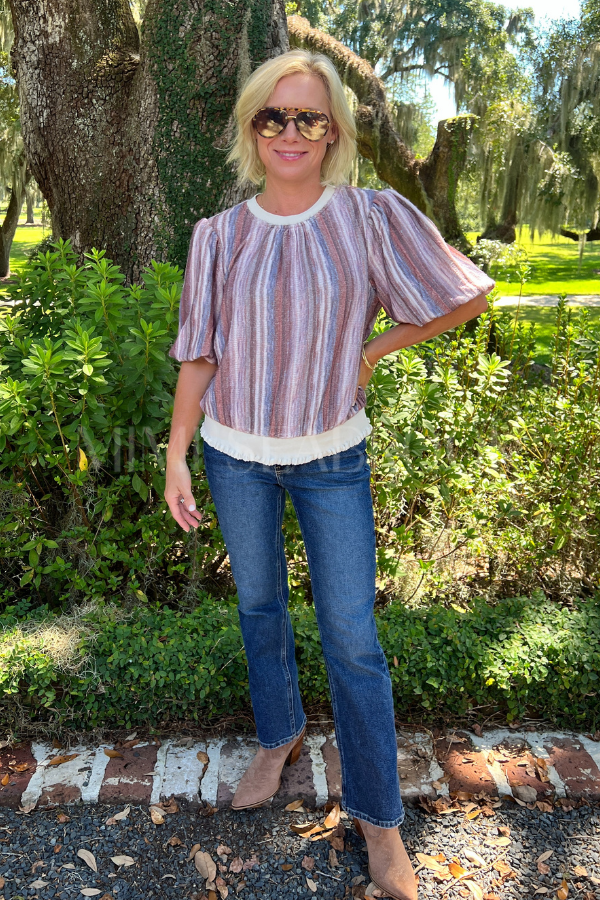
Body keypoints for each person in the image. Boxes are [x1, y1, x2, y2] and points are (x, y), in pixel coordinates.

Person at [165, 49, 494, 900]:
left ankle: (380, 823)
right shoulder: (218, 236)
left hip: (332, 459)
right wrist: (176, 454)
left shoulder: (369, 217)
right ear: (251, 129)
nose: (290, 132)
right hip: (235, 455)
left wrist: (371, 352)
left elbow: (467, 293)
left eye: (309, 117)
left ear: (335, 131)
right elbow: (199, 355)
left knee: (352, 638)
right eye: (272, 116)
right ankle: (278, 737)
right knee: (258, 606)